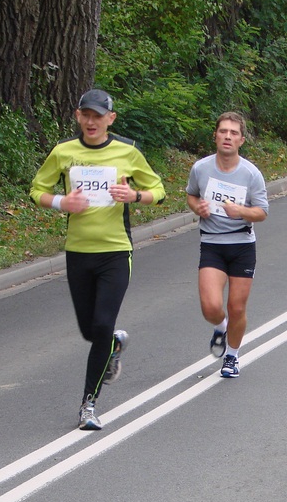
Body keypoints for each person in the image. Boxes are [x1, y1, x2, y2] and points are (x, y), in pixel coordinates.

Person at [29, 89, 166, 431]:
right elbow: (36, 190)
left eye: (98, 116)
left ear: (110, 119)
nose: (91, 122)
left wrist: (134, 195)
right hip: (78, 252)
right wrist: (62, 203)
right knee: (91, 331)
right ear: (78, 116)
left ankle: (88, 404)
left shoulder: (127, 151)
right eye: (86, 115)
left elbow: (159, 191)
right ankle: (114, 345)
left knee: (102, 325)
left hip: (115, 252)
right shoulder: (63, 152)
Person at [185, 113, 268, 378]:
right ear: (215, 136)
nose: (228, 137)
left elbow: (262, 212)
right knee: (210, 307)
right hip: (212, 243)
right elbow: (191, 195)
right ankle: (221, 327)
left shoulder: (251, 174)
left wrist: (240, 211)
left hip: (242, 245)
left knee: (237, 308)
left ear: (241, 140)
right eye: (223, 131)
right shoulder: (201, 168)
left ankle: (232, 356)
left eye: (233, 133)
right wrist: (197, 207)